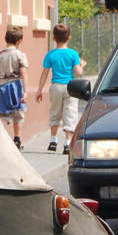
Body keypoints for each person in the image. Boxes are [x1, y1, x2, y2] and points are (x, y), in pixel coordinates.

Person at [36, 24, 84, 154]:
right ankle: (67, 144)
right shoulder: (73, 54)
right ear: (69, 37)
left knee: (55, 112)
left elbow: (45, 73)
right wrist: (82, 64)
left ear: (54, 38)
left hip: (56, 86)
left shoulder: (50, 55)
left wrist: (39, 90)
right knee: (70, 113)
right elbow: (78, 72)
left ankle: (53, 140)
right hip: (71, 87)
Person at [0, 25, 28, 149]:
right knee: (18, 113)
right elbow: (23, 72)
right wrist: (25, 90)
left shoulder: (0, 55)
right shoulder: (20, 55)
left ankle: (1, 140)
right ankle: (17, 139)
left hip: (3, 84)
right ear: (19, 41)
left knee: (3, 113)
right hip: (16, 84)